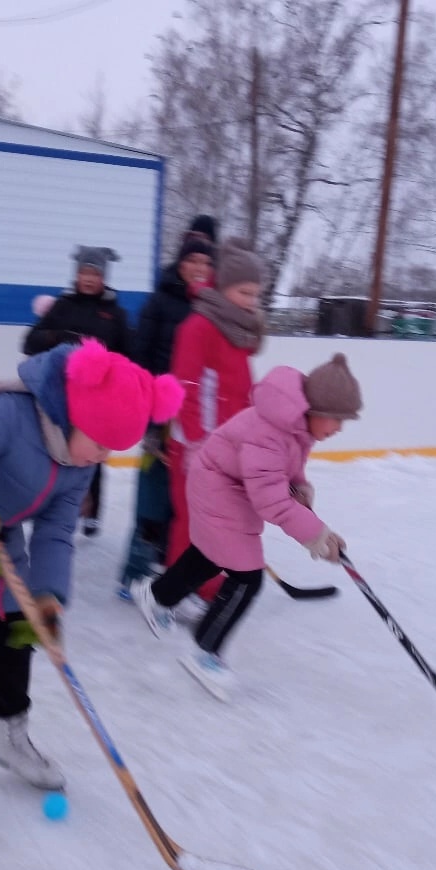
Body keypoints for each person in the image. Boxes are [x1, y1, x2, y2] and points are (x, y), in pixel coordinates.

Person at [0, 338, 183, 818]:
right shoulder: (9, 418)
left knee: (17, 637)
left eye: (113, 448)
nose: (102, 456)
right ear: (74, 415)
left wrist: (48, 595)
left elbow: (57, 529)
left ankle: (10, 736)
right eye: (101, 441)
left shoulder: (79, 459)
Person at [131, 354, 363, 700]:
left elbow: (287, 469)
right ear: (316, 408)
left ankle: (155, 595)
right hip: (217, 487)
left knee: (211, 556)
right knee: (247, 577)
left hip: (230, 485)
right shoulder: (272, 431)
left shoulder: (298, 426)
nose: (339, 429)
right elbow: (270, 500)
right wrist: (316, 535)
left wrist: (299, 487)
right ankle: (206, 653)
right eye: (337, 420)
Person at [163, 237, 267, 606]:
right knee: (194, 519)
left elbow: (244, 392)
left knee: (219, 522)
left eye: (256, 294)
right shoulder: (199, 326)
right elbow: (185, 387)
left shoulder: (237, 330)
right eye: (244, 292)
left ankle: (204, 583)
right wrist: (194, 441)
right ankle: (181, 589)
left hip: (228, 446)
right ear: (223, 287)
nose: (251, 301)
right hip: (197, 444)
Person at [118, 225, 217, 596]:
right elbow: (139, 359)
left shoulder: (212, 307)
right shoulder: (159, 302)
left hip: (194, 419)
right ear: (180, 262)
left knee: (185, 502)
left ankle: (171, 574)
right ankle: (134, 571)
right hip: (159, 414)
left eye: (206, 261)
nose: (199, 266)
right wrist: (147, 418)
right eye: (192, 259)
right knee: (152, 495)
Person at [23, 245, 133, 536]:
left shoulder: (116, 314)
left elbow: (129, 357)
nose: (88, 277)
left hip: (97, 397)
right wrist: (57, 336)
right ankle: (48, 506)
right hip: (59, 394)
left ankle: (91, 511)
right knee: (53, 453)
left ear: (103, 277)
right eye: (84, 271)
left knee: (91, 457)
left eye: (94, 272)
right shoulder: (62, 306)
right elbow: (29, 343)